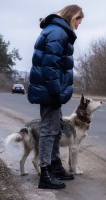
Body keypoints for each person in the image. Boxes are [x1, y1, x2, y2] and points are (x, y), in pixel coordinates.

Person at [27, 5, 84, 189]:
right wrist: (56, 92)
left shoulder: (57, 31)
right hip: (50, 91)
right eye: (78, 21)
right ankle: (45, 174)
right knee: (49, 131)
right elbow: (50, 66)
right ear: (72, 17)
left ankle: (54, 166)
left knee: (56, 129)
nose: (79, 25)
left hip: (51, 90)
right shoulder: (58, 33)